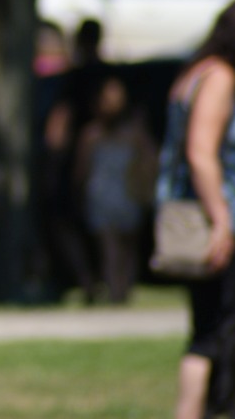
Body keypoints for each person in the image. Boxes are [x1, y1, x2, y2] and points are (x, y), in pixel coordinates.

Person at [155, 0, 235, 419]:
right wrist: (223, 220)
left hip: (190, 218)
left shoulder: (192, 75)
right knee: (222, 331)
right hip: (216, 221)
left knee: (206, 332)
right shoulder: (220, 77)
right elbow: (201, 153)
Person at [42, 20, 112, 303]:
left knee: (69, 218)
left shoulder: (76, 78)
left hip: (82, 155)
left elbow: (59, 123)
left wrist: (52, 158)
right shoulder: (105, 74)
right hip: (104, 155)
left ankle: (87, 279)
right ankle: (100, 280)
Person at [72, 77, 156, 304]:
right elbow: (82, 169)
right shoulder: (91, 135)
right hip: (101, 195)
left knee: (128, 247)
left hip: (128, 194)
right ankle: (116, 291)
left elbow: (150, 160)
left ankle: (124, 288)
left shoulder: (135, 134)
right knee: (109, 247)